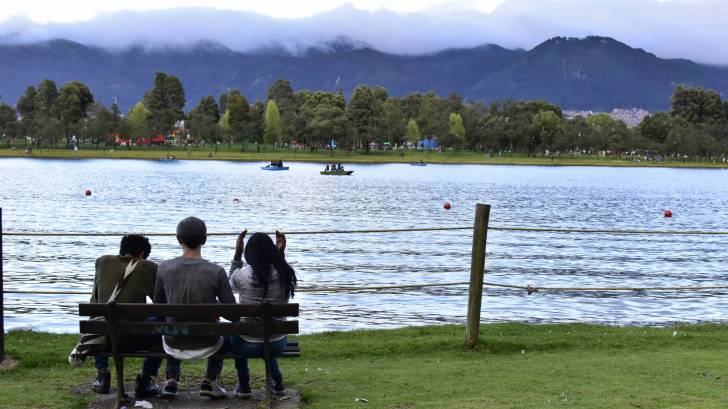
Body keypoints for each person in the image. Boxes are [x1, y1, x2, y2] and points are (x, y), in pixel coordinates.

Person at [154, 216, 237, 399]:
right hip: (209, 343)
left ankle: (171, 379)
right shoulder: (216, 271)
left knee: (171, 325)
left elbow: (158, 308)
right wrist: (213, 306)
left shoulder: (164, 268)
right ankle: (210, 380)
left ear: (178, 239)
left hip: (173, 343)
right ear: (205, 239)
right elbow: (234, 316)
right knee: (226, 333)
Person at [70, 235, 162, 398]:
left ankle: (102, 374)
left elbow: (94, 302)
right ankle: (145, 379)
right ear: (142, 255)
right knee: (161, 324)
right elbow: (161, 305)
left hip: (105, 339)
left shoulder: (102, 262)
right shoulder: (148, 267)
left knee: (99, 318)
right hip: (134, 339)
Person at [228, 230, 297, 398]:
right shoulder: (285, 274)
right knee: (267, 332)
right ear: (272, 251)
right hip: (277, 342)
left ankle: (244, 386)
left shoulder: (241, 275)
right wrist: (280, 255)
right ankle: (277, 381)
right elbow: (280, 269)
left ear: (248, 253)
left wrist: (237, 255)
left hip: (245, 344)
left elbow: (230, 284)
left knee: (236, 331)